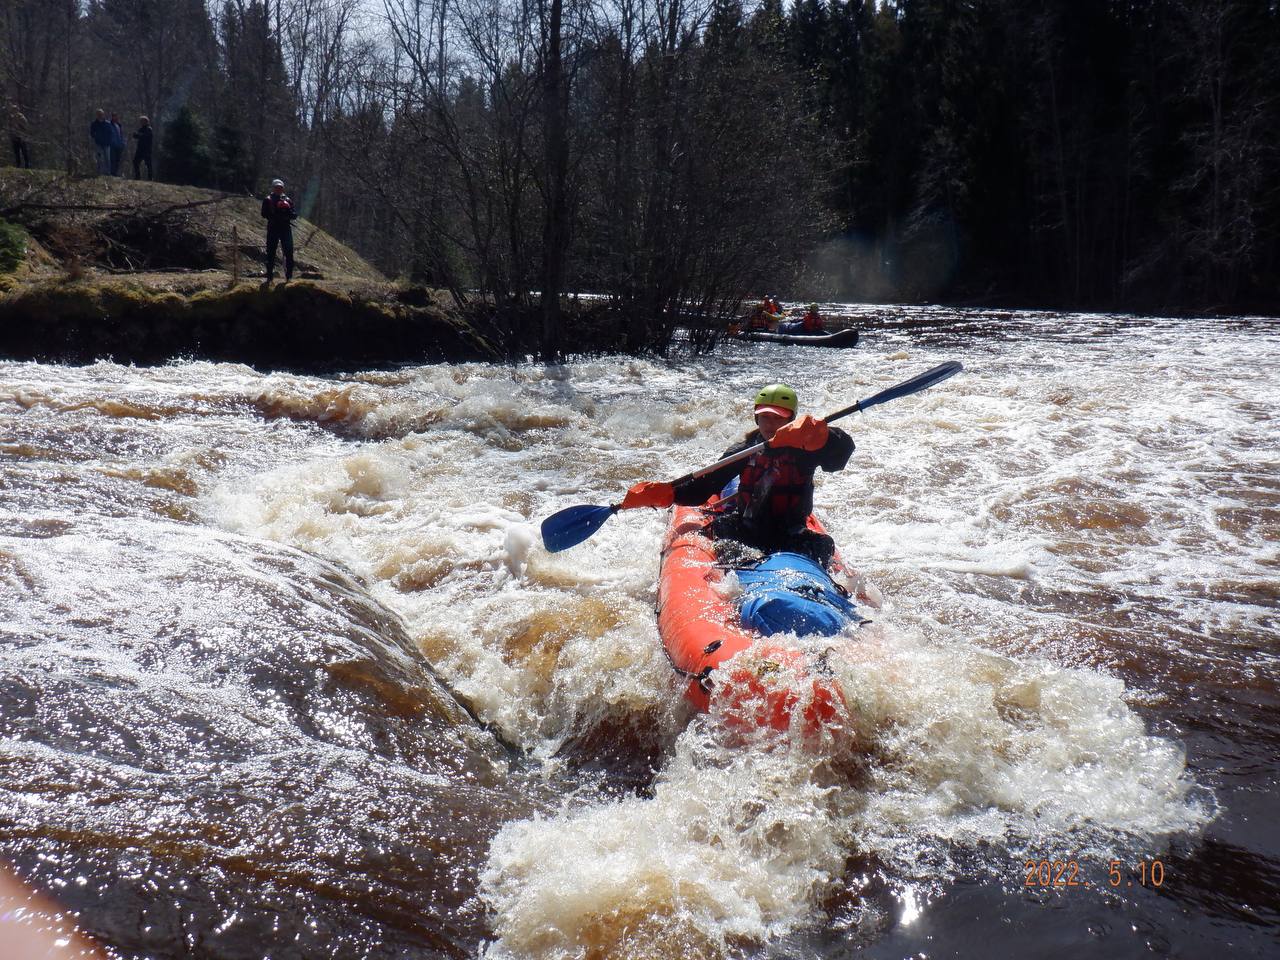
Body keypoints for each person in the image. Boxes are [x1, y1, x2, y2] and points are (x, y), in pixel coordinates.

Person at [620, 383, 854, 568]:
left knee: (822, 545)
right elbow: (705, 486)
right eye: (765, 417)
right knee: (724, 534)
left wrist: (825, 435)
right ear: (756, 418)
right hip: (748, 528)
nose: (770, 424)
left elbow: (840, 455)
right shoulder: (743, 451)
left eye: (778, 418)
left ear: (790, 419)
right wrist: (669, 494)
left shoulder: (807, 449)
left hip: (790, 531)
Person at [261, 177, 298, 282]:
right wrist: (275, 215)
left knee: (289, 252)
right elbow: (263, 213)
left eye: (280, 187)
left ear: (283, 189)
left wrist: (287, 214)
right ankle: (269, 276)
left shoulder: (288, 200)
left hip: (286, 229)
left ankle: (289, 276)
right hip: (273, 228)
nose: (278, 189)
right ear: (273, 188)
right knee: (271, 252)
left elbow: (295, 214)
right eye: (276, 187)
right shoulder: (268, 200)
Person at [89, 109, 113, 174]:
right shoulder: (94, 124)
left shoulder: (108, 123)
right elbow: (92, 133)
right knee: (99, 158)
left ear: (103, 114)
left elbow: (111, 133)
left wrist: (109, 141)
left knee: (107, 158)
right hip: (98, 144)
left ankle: (108, 172)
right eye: (98, 114)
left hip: (107, 144)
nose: (100, 115)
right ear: (96, 115)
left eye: (101, 114)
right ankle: (100, 172)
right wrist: (96, 137)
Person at [7, 102, 30, 168]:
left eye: (15, 110)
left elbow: (25, 127)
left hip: (21, 137)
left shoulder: (22, 118)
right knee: (16, 153)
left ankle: (27, 166)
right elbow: (10, 128)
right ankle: (18, 166)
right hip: (14, 137)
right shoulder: (11, 118)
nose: (13, 112)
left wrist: (19, 125)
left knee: (24, 152)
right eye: (13, 110)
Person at [108, 111, 125, 175]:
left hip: (119, 145)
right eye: (114, 116)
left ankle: (116, 172)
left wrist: (123, 143)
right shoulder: (109, 124)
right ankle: (112, 173)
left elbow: (121, 135)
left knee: (118, 160)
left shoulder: (119, 125)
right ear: (112, 117)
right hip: (112, 145)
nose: (115, 117)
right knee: (113, 159)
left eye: (116, 116)